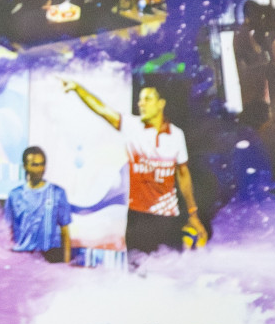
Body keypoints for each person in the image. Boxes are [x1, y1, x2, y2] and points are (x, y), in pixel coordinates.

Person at [61, 78, 206, 255]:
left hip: (168, 218)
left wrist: (193, 214)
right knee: (137, 277)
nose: (141, 104)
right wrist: (78, 88)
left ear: (161, 104)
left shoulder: (176, 135)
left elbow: (183, 174)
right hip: (138, 218)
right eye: (139, 100)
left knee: (169, 274)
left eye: (147, 99)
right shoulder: (132, 126)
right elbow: (102, 110)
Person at [4, 146, 73, 263]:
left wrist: (66, 264)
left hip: (50, 255)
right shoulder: (15, 195)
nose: (39, 169)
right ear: (25, 166)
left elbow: (65, 232)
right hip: (22, 255)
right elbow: (7, 230)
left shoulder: (57, 192)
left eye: (42, 164)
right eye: (34, 165)